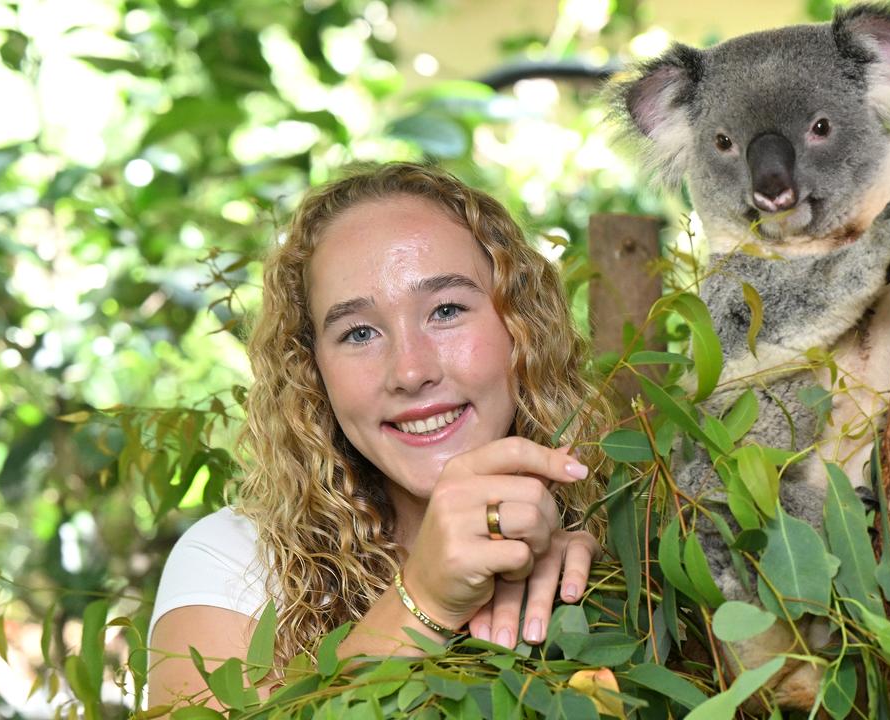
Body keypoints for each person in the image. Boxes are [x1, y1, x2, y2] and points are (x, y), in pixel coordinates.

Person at [146, 162, 612, 709]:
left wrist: (603, 596)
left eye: (446, 310)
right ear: (311, 369)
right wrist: (424, 602)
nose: (411, 371)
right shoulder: (236, 564)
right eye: (359, 332)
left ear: (521, 326)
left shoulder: (626, 527)